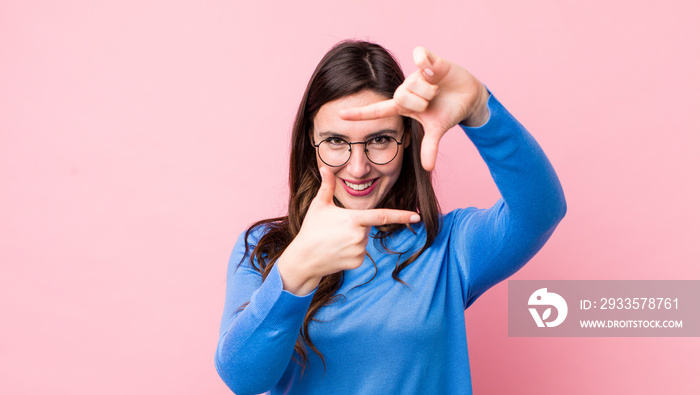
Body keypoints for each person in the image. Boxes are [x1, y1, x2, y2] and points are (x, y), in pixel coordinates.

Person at [215, 40, 566, 394]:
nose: (358, 167)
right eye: (336, 141)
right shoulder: (265, 249)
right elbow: (242, 379)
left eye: (380, 139)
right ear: (311, 139)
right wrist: (296, 270)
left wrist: (479, 109)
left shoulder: (447, 247)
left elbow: (540, 211)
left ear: (407, 137)